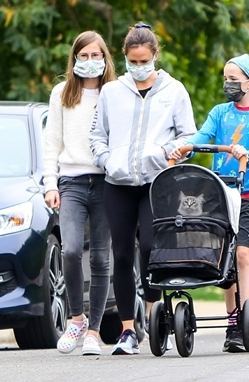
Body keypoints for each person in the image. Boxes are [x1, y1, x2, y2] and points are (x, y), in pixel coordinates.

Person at [89, 22, 197, 355]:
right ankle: (127, 331)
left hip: (156, 183)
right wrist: (108, 161)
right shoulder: (111, 92)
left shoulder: (174, 90)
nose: (138, 68)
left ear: (155, 56)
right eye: (133, 62)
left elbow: (189, 136)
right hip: (118, 183)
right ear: (125, 58)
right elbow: (97, 136)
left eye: (144, 61)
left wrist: (172, 151)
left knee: (149, 248)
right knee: (121, 255)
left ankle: (153, 313)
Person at [169, 53, 249, 353]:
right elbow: (202, 137)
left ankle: (245, 318)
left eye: (233, 80)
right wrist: (185, 149)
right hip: (222, 192)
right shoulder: (220, 112)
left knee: (243, 253)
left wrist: (247, 153)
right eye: (226, 79)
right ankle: (232, 323)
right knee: (225, 259)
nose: (227, 84)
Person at [42, 30, 117, 356]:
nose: (89, 61)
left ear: (105, 58)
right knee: (71, 250)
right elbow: (51, 142)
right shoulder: (62, 93)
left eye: (95, 56)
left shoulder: (115, 93)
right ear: (74, 59)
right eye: (83, 56)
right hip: (71, 182)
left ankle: (95, 331)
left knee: (101, 257)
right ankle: (76, 319)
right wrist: (50, 183)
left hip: (106, 183)